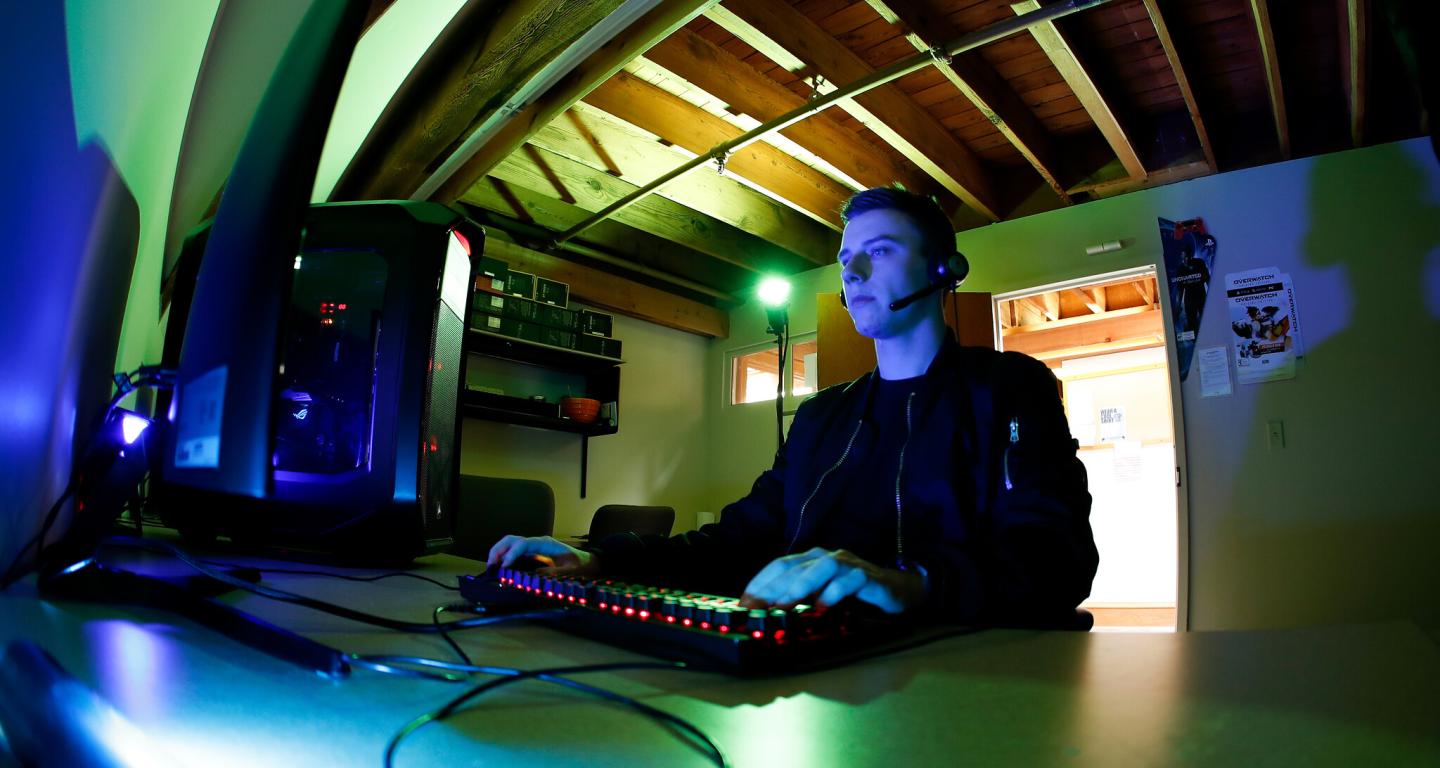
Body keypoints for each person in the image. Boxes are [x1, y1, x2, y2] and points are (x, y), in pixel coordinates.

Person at [489, 188, 1097, 627]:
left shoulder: (1011, 388)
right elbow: (737, 541)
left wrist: (911, 582)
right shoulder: (821, 418)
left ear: (944, 270)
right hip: (815, 668)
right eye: (845, 260)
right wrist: (598, 558)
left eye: (880, 252)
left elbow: (1057, 561)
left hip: (968, 676)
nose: (852, 273)